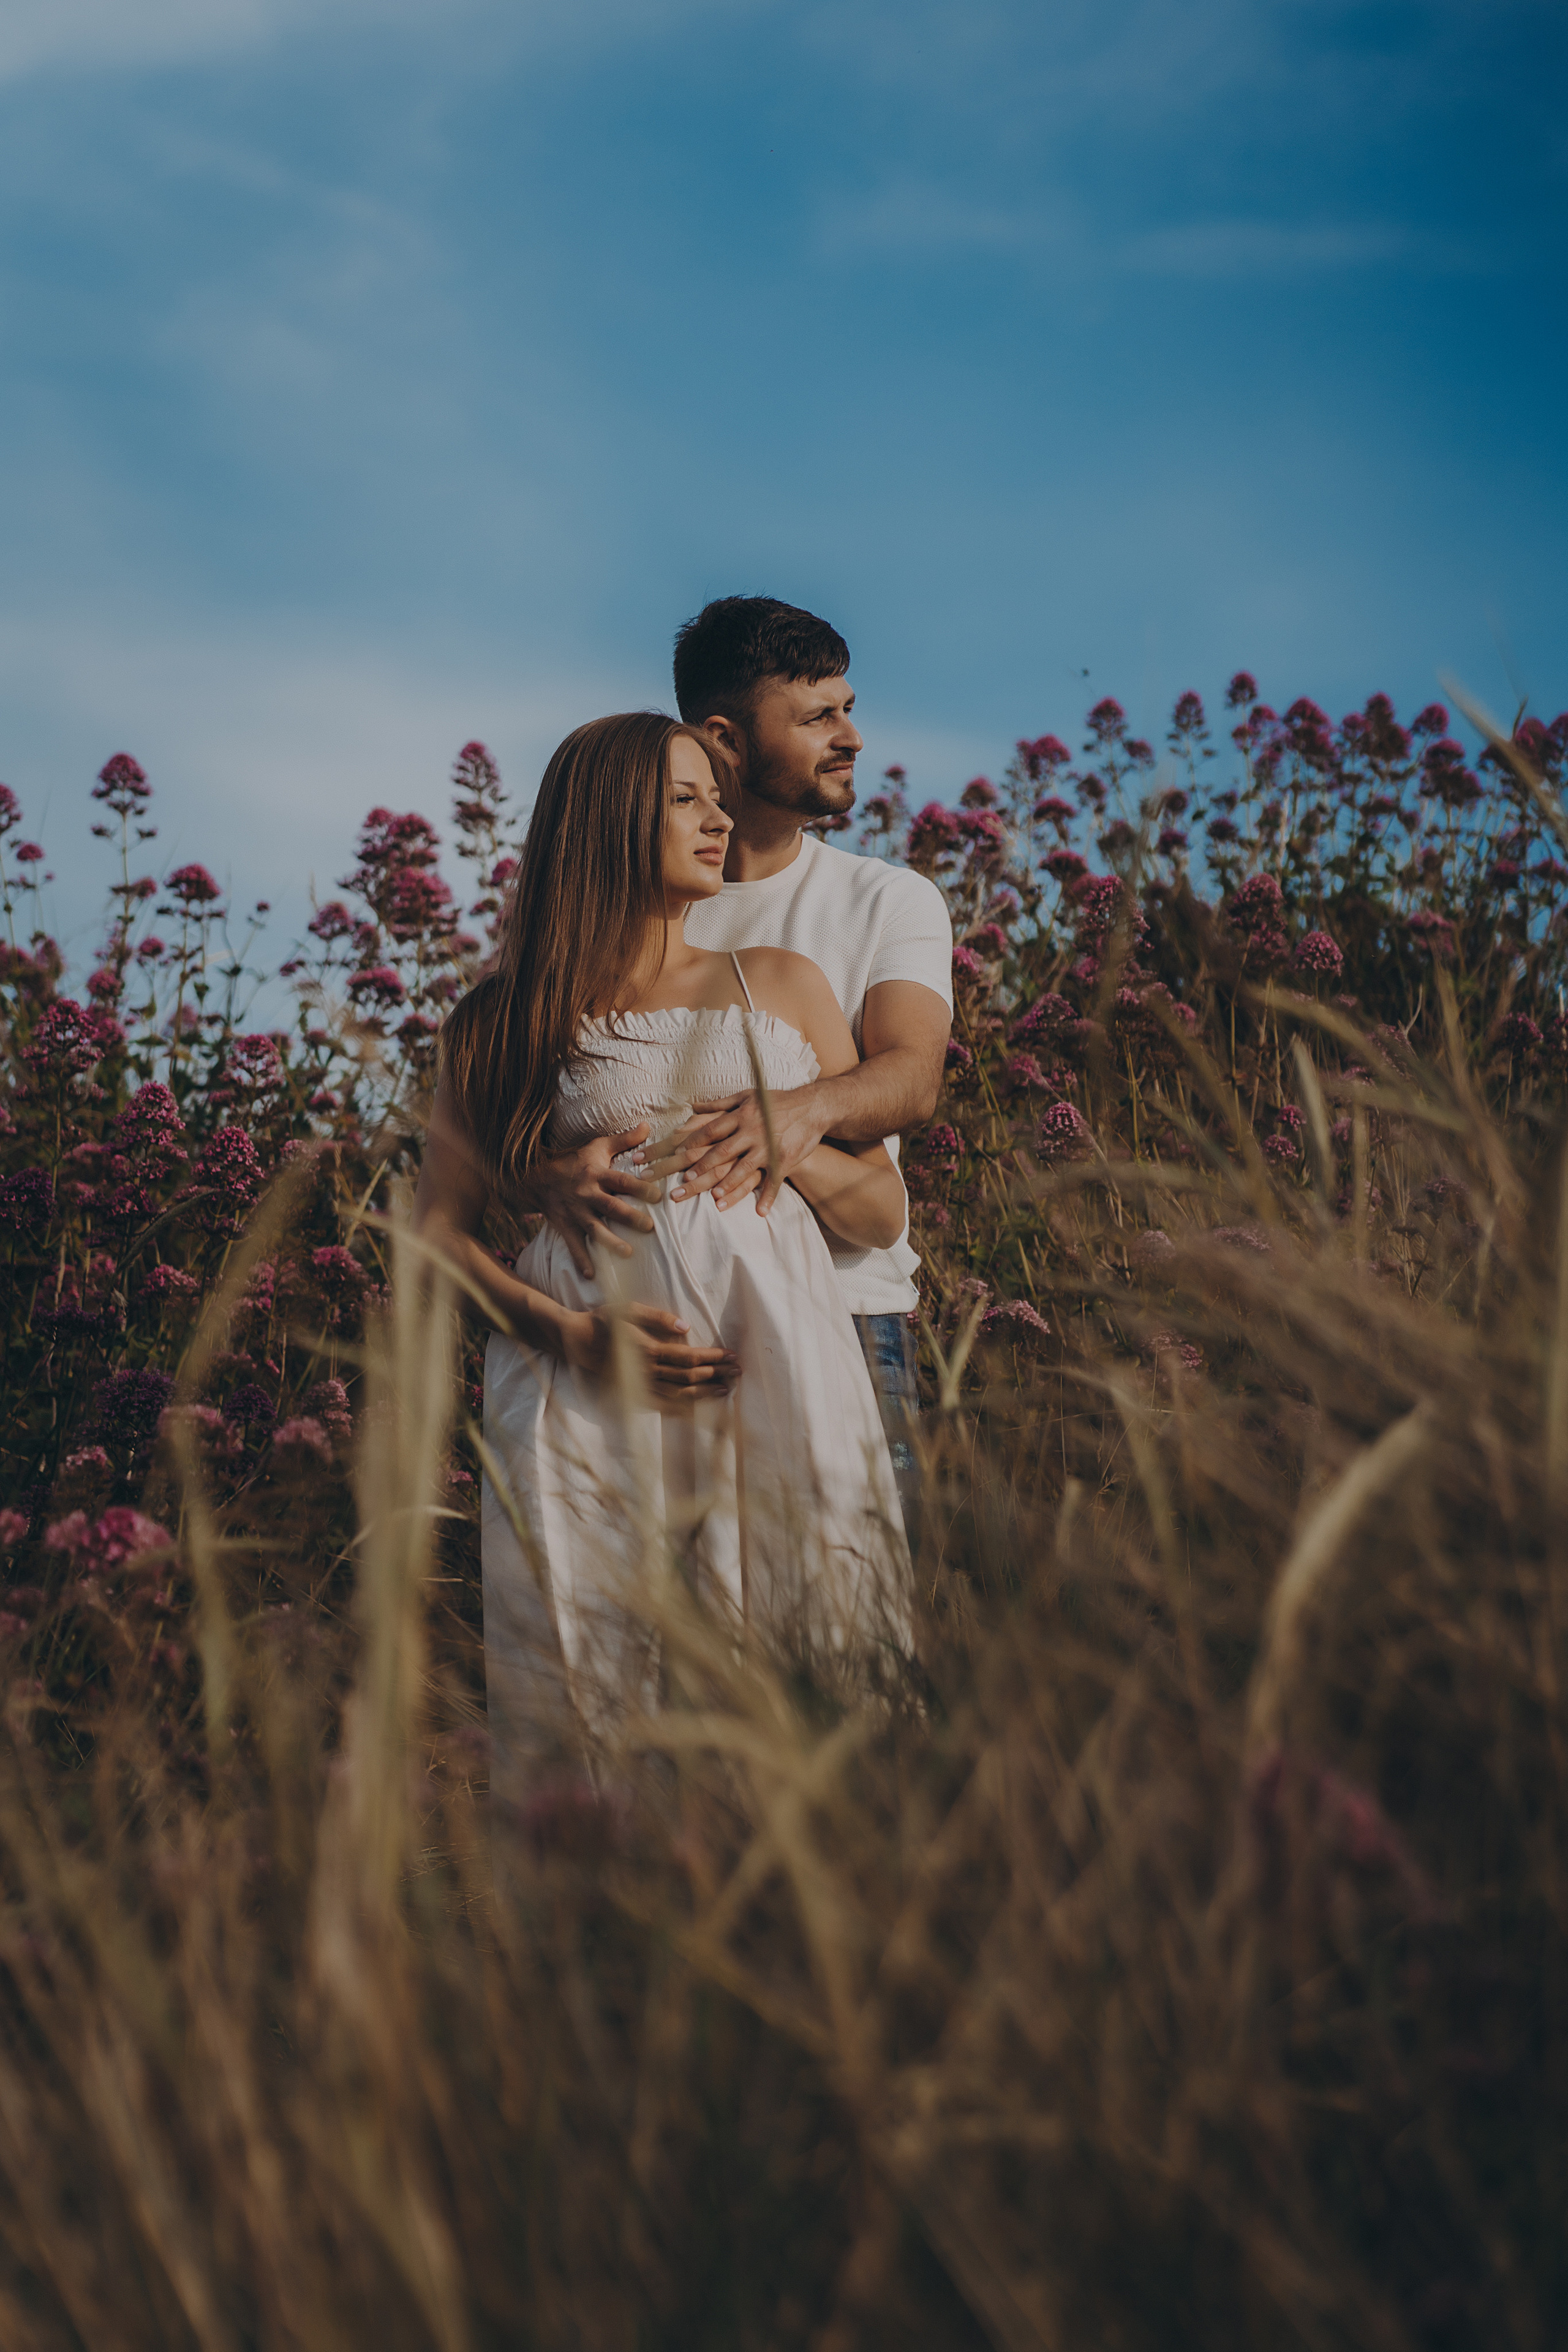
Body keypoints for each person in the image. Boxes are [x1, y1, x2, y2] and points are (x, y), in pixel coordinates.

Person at [412, 712, 911, 1783]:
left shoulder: (777, 983)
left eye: (715, 796)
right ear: (601, 822)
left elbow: (879, 1215)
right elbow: (431, 1240)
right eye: (685, 797)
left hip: (781, 1368)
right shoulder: (502, 1021)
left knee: (807, 1652)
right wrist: (572, 1336)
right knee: (605, 1685)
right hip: (590, 1387)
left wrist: (786, 1138)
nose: (718, 816)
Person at [526, 596, 953, 1487]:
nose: (852, 737)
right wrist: (538, 1172)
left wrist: (788, 1117)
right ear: (722, 738)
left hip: (844, 1309)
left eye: (849, 708)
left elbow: (912, 1078)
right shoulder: (639, 906)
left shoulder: (887, 899)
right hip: (658, 1333)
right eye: (817, 717)